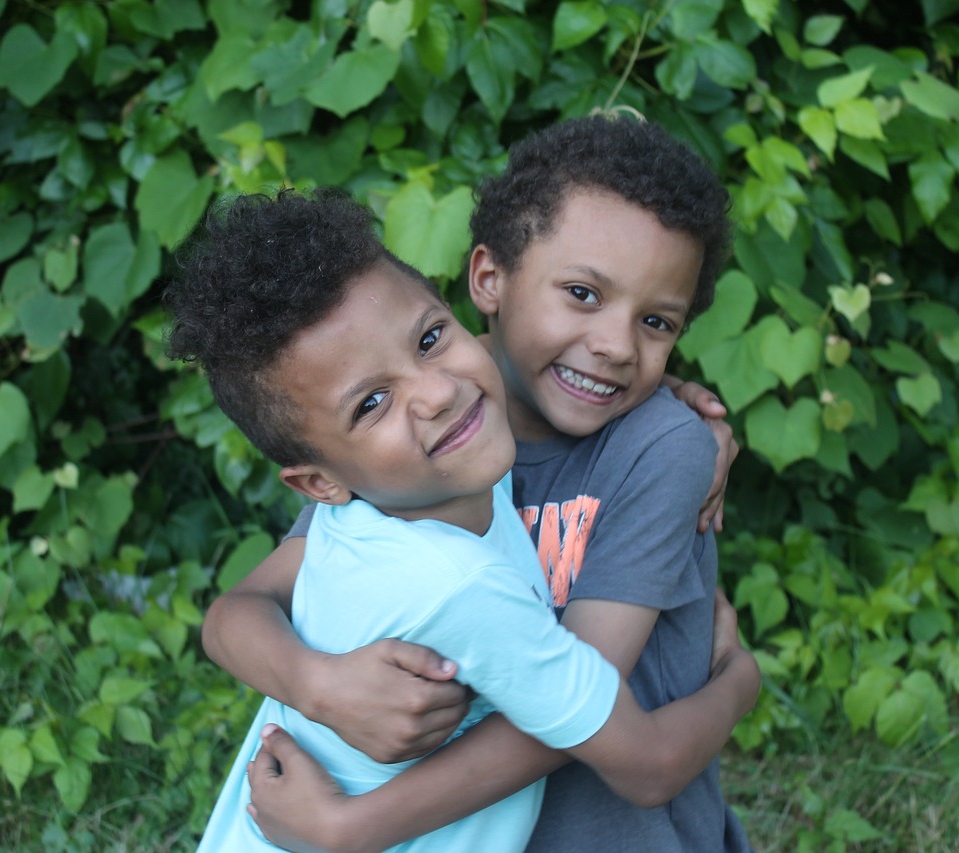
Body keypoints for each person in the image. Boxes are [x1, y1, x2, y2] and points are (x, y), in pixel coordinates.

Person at [205, 115, 754, 852]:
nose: (617, 346)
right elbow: (235, 612)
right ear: (487, 279)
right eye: (583, 294)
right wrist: (318, 683)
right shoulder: (416, 459)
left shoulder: (648, 447)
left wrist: (352, 825)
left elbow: (579, 721)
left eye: (657, 321)